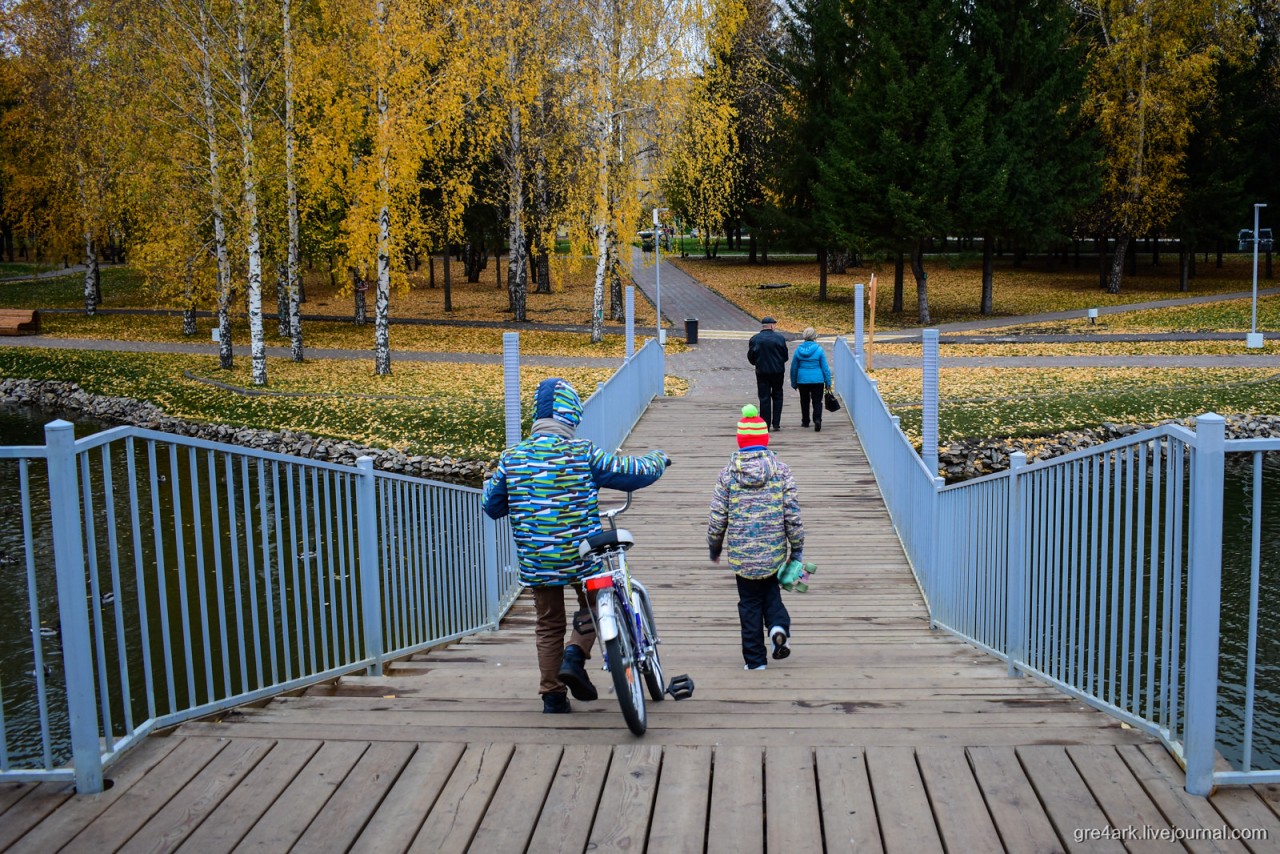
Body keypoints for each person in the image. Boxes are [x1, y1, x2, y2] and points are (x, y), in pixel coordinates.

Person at [483, 377, 669, 713]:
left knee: (548, 622)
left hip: (537, 559)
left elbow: (492, 506)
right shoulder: (582, 453)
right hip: (582, 555)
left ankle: (552, 696)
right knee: (597, 606)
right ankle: (575, 655)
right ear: (572, 416)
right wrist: (658, 458)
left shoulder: (511, 458)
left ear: (537, 416)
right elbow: (630, 472)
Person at [707, 404, 805, 670]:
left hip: (742, 555)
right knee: (771, 594)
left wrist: (714, 545)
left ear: (740, 441)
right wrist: (796, 550)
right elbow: (792, 515)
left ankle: (755, 661)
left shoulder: (727, 474)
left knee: (749, 603)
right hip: (773, 551)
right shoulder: (781, 471)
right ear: (765, 439)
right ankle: (777, 629)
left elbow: (718, 517)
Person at [747, 316, 788, 431]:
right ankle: (776, 423)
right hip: (778, 372)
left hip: (762, 372)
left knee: (764, 397)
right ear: (771, 326)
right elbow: (785, 356)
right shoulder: (780, 338)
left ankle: (765, 424)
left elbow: (751, 357)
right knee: (778, 395)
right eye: (774, 325)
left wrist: (757, 363)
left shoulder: (755, 339)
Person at [789, 327, 832, 431]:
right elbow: (825, 367)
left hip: (802, 379)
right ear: (814, 337)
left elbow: (794, 368)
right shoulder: (819, 349)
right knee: (817, 401)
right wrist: (828, 382)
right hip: (817, 380)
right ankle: (817, 419)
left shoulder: (798, 350)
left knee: (804, 400)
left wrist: (794, 382)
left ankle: (805, 421)